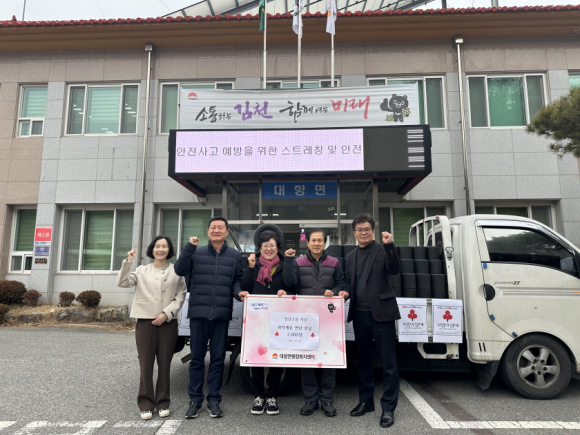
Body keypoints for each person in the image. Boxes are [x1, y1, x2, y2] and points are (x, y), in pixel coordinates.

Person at [174, 217, 243, 419]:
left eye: (220, 227)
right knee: (196, 358)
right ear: (208, 231)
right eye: (213, 227)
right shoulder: (196, 252)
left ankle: (214, 399)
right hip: (199, 313)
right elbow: (179, 270)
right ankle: (195, 399)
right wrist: (188, 248)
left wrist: (239, 293)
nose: (216, 230)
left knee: (218, 359)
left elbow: (236, 281)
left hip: (221, 314)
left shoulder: (235, 255)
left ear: (227, 232)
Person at [116, 235, 186, 420]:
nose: (160, 249)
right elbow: (122, 282)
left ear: (169, 250)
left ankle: (163, 403)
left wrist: (166, 314)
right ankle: (146, 404)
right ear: (152, 249)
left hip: (167, 322)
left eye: (164, 246)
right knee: (145, 364)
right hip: (145, 322)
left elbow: (181, 295)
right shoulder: (141, 270)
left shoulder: (177, 271)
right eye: (157, 246)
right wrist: (128, 262)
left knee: (165, 364)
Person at [283, 229, 348, 417]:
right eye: (313, 240)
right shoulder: (298, 262)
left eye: (320, 240)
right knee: (307, 359)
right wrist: (288, 261)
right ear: (308, 243)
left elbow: (341, 283)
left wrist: (333, 292)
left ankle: (327, 399)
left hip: (328, 319)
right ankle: (310, 399)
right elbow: (290, 284)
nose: (317, 243)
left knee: (329, 358)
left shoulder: (334, 263)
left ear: (325, 242)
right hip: (306, 318)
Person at [345, 213, 401, 429]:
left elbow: (395, 269)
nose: (363, 232)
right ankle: (366, 401)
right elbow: (350, 283)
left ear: (373, 230)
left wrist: (390, 245)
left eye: (367, 229)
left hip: (382, 314)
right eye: (359, 229)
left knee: (388, 363)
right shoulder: (351, 256)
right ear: (354, 232)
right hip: (359, 315)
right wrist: (344, 293)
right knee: (363, 362)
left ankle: (388, 407)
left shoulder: (382, 249)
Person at [238, 230, 296, 416]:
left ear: (278, 247)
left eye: (272, 245)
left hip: (279, 319)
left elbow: (291, 285)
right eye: (265, 246)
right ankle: (259, 395)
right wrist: (250, 267)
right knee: (256, 359)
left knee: (275, 359)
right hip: (257, 319)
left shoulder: (285, 264)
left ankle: (272, 396)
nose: (269, 249)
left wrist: (285, 292)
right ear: (259, 248)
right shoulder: (253, 264)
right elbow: (245, 287)